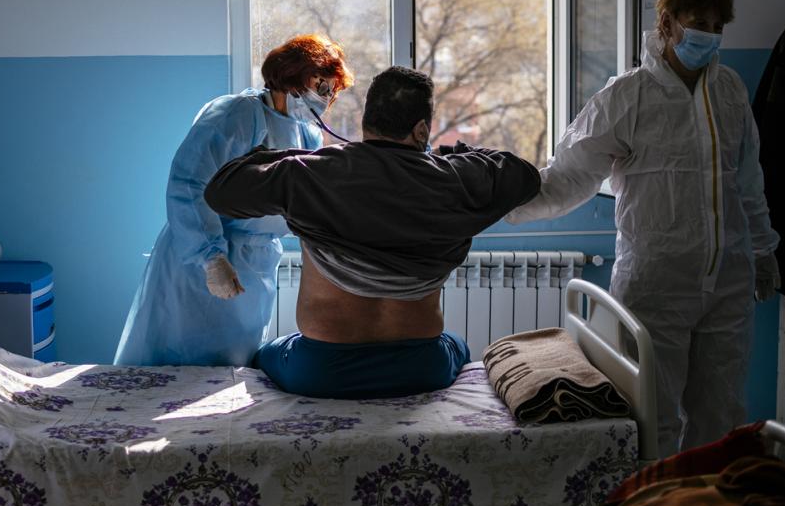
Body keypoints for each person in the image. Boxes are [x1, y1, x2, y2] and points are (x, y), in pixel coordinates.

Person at [507, 0, 780, 457]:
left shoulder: (730, 92)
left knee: (722, 417)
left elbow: (748, 182)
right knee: (653, 420)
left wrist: (763, 250)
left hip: (727, 282)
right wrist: (502, 204)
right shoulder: (627, 97)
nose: (709, 36)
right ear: (667, 23)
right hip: (656, 285)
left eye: (718, 28)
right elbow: (570, 176)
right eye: (699, 24)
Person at [204, 66, 540, 399]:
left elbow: (220, 191)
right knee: (460, 348)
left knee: (264, 355)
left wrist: (292, 159)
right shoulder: (454, 179)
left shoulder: (311, 173)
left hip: (322, 369)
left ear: (366, 121)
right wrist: (449, 155)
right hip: (422, 367)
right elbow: (525, 175)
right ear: (421, 129)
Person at [114, 35, 353, 367]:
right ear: (294, 75)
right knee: (179, 362)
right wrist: (210, 258)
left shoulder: (306, 132)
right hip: (204, 260)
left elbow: (300, 197)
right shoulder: (239, 114)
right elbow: (188, 183)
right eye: (321, 85)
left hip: (257, 263)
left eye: (332, 91)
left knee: (233, 366)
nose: (327, 98)